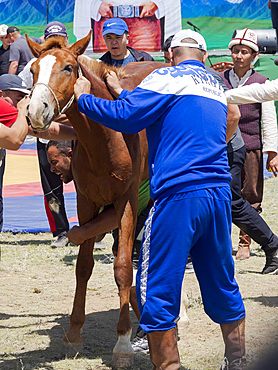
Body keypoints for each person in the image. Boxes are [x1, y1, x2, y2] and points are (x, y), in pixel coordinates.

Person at [74, 29, 246, 369]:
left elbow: (124, 117)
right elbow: (233, 119)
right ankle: (238, 360)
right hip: (218, 195)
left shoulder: (165, 77)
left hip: (177, 196)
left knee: (157, 287)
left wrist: (83, 99)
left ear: (169, 56)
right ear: (204, 56)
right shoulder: (216, 86)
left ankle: (167, 365)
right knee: (222, 280)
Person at [220, 28, 278, 259]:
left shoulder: (261, 81)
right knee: (226, 195)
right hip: (225, 147)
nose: (239, 56)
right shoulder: (220, 79)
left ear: (254, 56)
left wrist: (272, 151)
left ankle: (246, 241)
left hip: (252, 145)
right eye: (235, 51)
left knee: (251, 193)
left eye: (245, 52)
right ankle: (223, 241)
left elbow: (269, 120)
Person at [19, 21, 71, 248]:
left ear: (67, 40)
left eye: (59, 39)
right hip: (44, 135)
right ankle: (61, 232)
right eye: (51, 39)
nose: (54, 44)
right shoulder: (34, 65)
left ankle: (90, 230)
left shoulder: (73, 63)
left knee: (86, 183)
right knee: (51, 187)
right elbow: (21, 92)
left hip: (73, 134)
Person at [0, 74, 30, 229]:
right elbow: (15, 140)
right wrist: (22, 110)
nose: (22, 102)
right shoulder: (9, 108)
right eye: (18, 98)